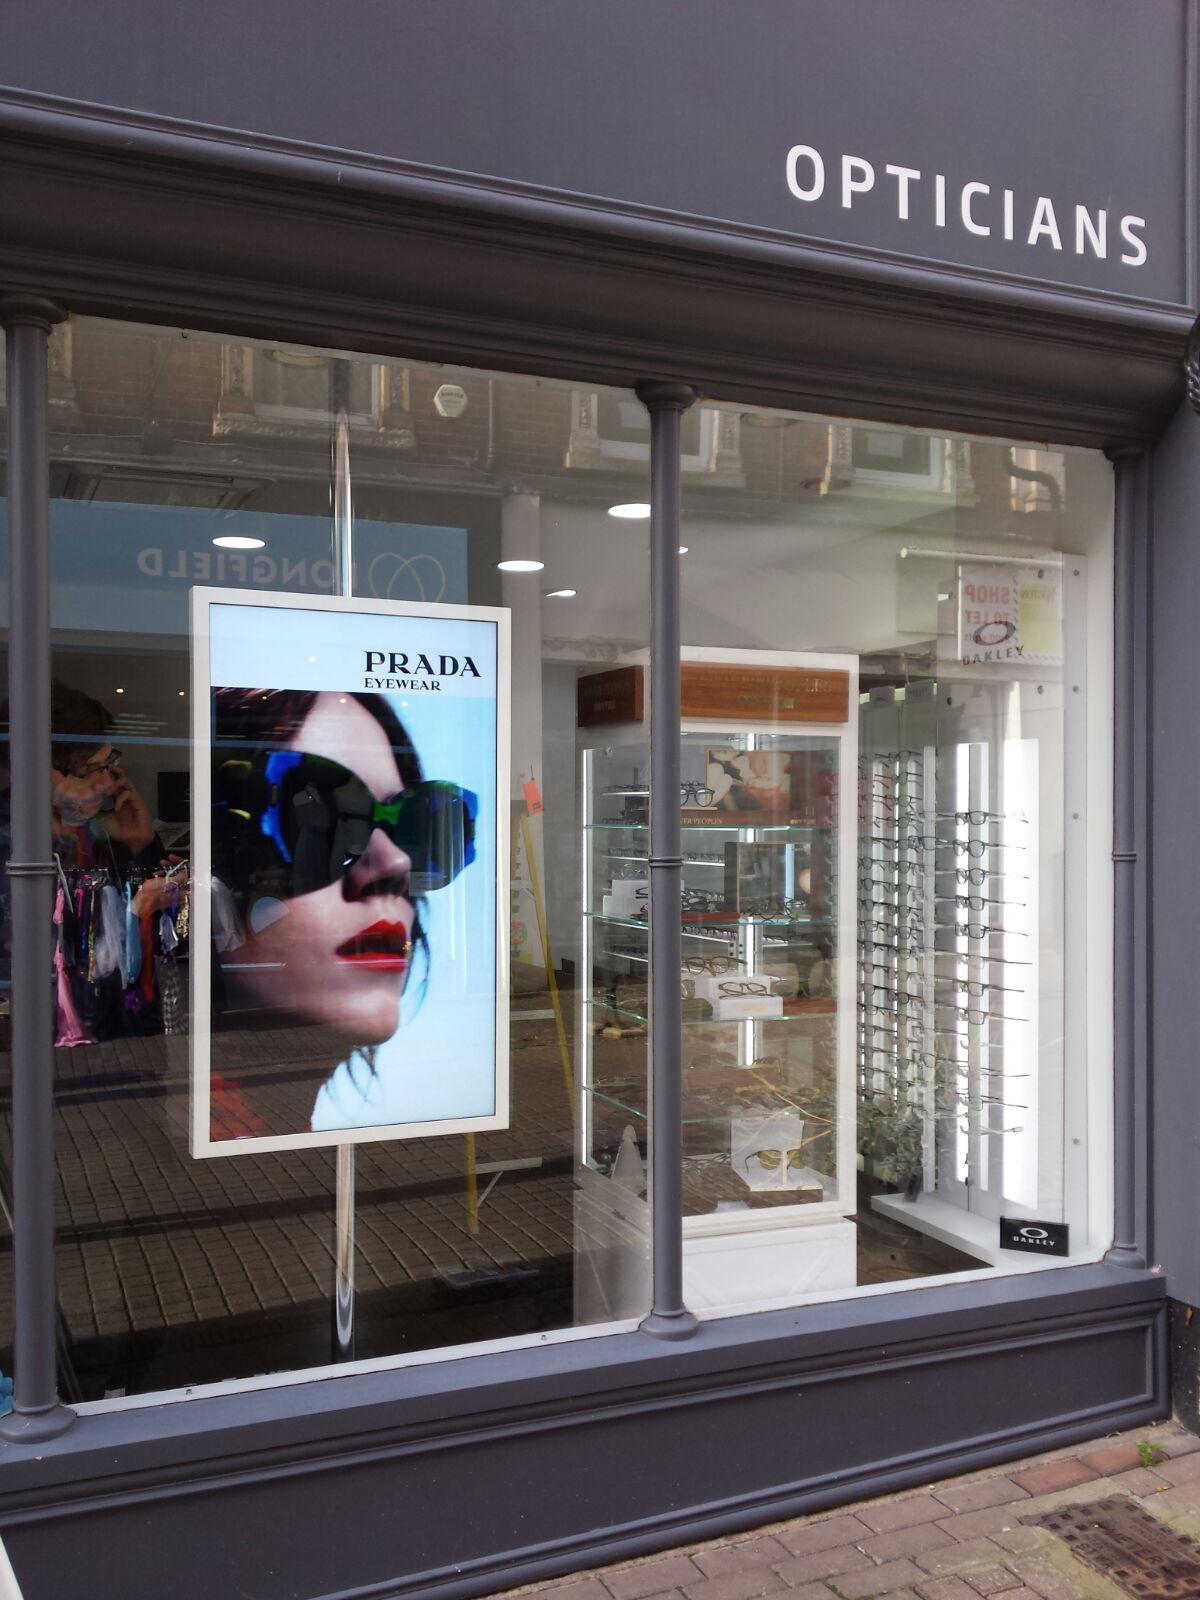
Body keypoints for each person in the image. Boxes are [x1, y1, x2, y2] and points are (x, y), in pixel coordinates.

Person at [209, 687, 476, 1138]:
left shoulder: (255, 1132)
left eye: (414, 823)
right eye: (330, 815)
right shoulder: (186, 1130)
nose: (395, 863)